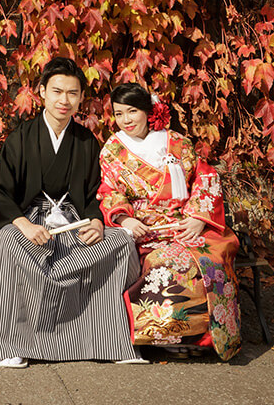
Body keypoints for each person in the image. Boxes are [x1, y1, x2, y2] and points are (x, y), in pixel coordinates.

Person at [0, 57, 144, 368]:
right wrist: (23, 224)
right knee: (4, 244)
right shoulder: (21, 137)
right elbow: (0, 189)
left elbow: (93, 193)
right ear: (42, 92)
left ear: (80, 98)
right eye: (57, 91)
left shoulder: (86, 141)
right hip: (28, 222)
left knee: (120, 243)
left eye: (73, 93)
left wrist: (96, 222)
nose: (64, 100)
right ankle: (14, 343)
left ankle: (109, 341)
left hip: (71, 222)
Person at [98, 82, 242, 360]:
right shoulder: (112, 150)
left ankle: (205, 337)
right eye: (118, 114)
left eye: (132, 111)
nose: (126, 120)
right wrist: (125, 219)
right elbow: (109, 190)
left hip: (184, 223)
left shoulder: (177, 142)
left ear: (149, 111)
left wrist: (199, 218)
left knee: (206, 260)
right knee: (163, 263)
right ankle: (163, 336)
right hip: (145, 229)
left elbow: (205, 178)